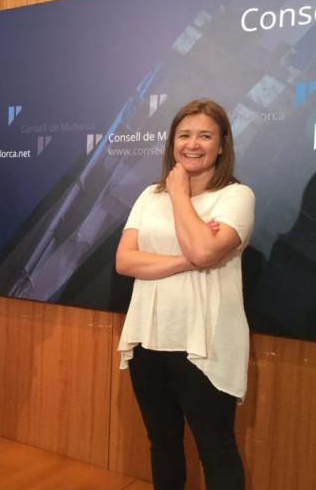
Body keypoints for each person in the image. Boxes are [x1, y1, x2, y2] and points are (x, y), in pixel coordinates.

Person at [115, 99, 254, 490]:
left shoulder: (236, 197)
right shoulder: (149, 195)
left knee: (216, 450)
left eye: (205, 136)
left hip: (204, 343)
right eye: (184, 135)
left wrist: (179, 195)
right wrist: (186, 259)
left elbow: (207, 252)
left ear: (222, 145)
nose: (193, 144)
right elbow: (125, 260)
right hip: (149, 339)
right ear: (172, 142)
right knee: (162, 443)